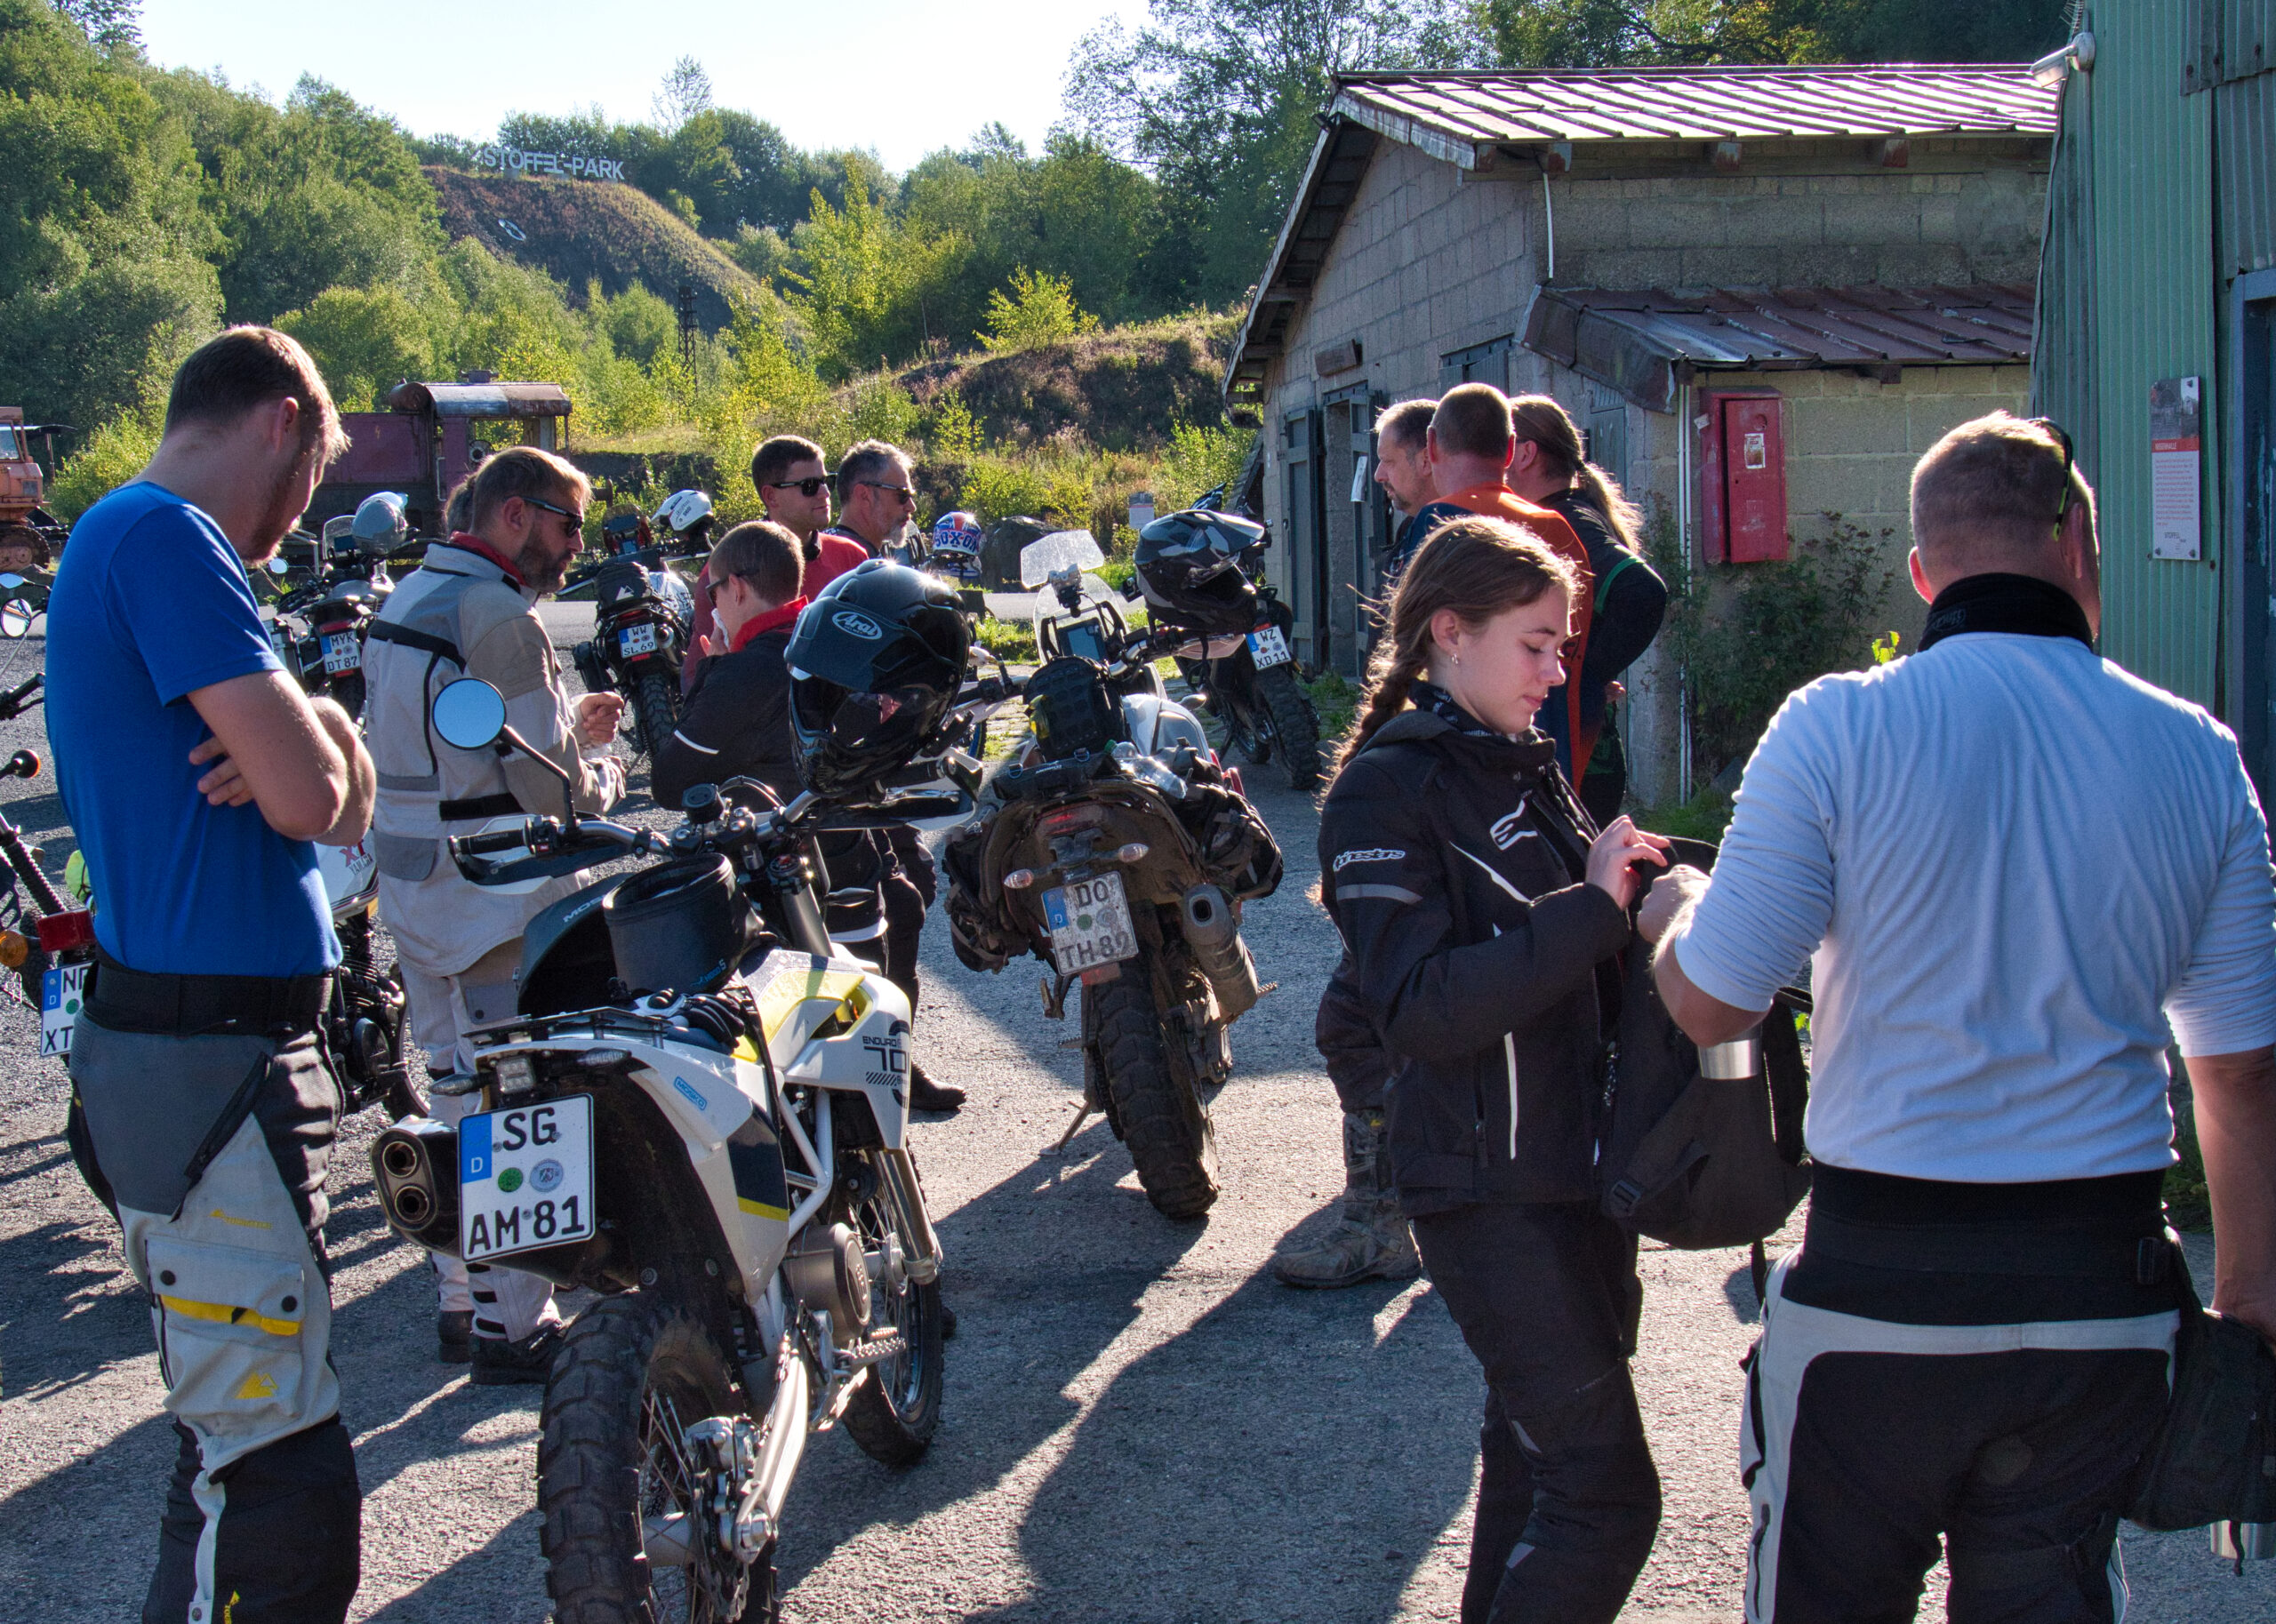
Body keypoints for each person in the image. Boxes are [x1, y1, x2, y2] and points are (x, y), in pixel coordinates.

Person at [1646, 412, 2276, 1622]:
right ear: (2081, 544)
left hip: (1878, 1296)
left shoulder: (1838, 725)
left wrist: (1671, 912)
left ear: (1924, 570)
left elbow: (1717, 994)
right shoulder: (2198, 754)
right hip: (2100, 1296)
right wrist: (2248, 1301)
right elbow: (2240, 1072)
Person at [50, 326, 376, 1623]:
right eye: (309, 486)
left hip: (203, 1057)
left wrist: (326, 727)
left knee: (233, 1454)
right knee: (276, 1492)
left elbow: (334, 797)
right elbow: (311, 796)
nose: (297, 526)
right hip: (204, 1062)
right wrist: (316, 741)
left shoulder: (127, 540)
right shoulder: (167, 538)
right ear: (283, 423)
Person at [1319, 514, 1670, 1622]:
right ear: (1448, 633)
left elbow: (1567, 950)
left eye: (1563, 646)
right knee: (1606, 1496)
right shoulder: (1388, 788)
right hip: (1488, 1196)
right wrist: (1594, 907)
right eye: (1536, 643)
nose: (1557, 669)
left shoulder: (1513, 762)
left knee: (1532, 1469)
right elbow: (1411, 1009)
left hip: (1576, 1176)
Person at [363, 446, 627, 1379]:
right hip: (492, 898)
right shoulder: (498, 615)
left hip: (412, 884)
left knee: (451, 1091)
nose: (574, 545)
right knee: (521, 1102)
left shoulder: (408, 598)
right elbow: (549, 786)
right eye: (568, 524)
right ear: (515, 514)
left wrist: (564, 732)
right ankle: (511, 1326)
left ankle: (459, 1302)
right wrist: (604, 768)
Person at [824, 438, 962, 1112]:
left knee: (909, 892)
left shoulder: (871, 559)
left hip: (871, 764)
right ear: (866, 494)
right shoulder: (844, 561)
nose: (911, 505)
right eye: (903, 492)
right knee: (895, 901)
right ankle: (879, 1061)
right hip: (845, 770)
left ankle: (887, 1055)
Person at [1402, 383, 1598, 781]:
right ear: (1510, 449)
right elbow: (1573, 651)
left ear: (1431, 445)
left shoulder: (1437, 522)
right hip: (1553, 749)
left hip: (1463, 756)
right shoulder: (1557, 528)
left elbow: (1411, 645)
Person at [1505, 395, 1667, 824]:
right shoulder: (1550, 516)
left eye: (1500, 447)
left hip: (1582, 764)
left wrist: (1585, 672)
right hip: (1573, 758)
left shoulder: (1568, 521)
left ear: (1525, 453)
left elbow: (1642, 591)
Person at [653, 520, 807, 811]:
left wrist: (711, 670)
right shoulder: (826, 646)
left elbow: (669, 784)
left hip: (779, 845)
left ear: (735, 588)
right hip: (852, 845)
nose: (715, 607)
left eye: (714, 593)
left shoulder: (741, 674)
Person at [1370, 395, 1438, 579]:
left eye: (1388, 461)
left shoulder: (1459, 535)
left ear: (1425, 460)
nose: (1378, 476)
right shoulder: (1410, 530)